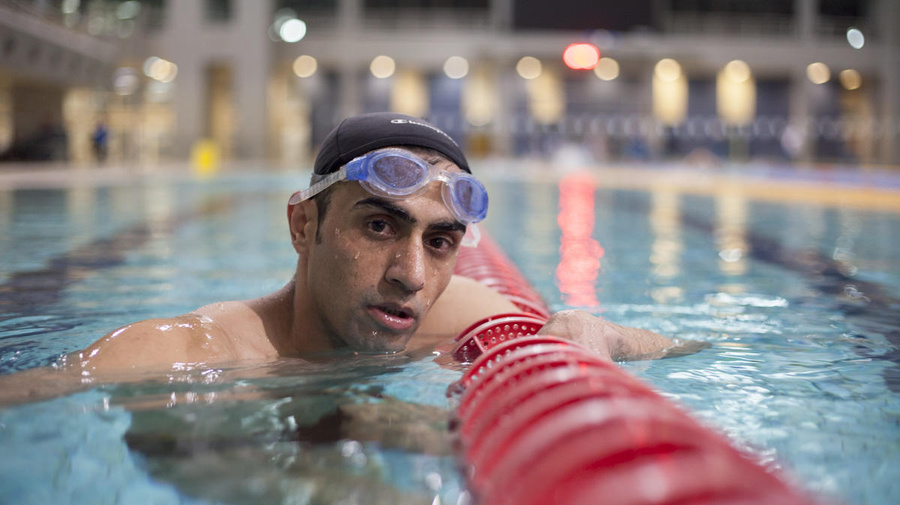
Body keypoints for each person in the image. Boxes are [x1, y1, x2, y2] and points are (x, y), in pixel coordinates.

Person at [32, 113, 675, 379]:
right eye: (379, 226)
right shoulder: (186, 354)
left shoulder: (454, 315)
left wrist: (599, 331)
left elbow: (684, 349)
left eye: (441, 241)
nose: (412, 276)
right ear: (302, 226)